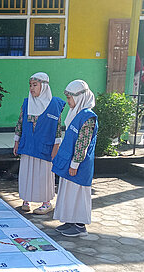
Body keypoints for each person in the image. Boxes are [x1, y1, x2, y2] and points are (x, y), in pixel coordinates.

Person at [13, 72, 66, 214]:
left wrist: (56, 148)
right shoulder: (26, 103)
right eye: (30, 85)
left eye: (35, 85)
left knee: (44, 174)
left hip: (45, 147)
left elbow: (57, 130)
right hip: (28, 145)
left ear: (44, 86)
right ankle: (26, 199)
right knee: (27, 172)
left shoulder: (55, 104)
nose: (31, 88)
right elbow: (20, 123)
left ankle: (46, 203)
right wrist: (16, 142)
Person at [52, 80, 98, 237]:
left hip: (79, 164)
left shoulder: (88, 117)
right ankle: (70, 221)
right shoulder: (76, 114)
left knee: (77, 194)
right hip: (70, 162)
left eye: (69, 98)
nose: (68, 101)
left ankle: (79, 226)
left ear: (80, 97)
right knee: (69, 193)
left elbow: (82, 143)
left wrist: (75, 164)